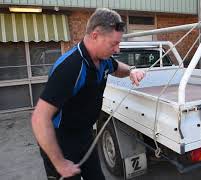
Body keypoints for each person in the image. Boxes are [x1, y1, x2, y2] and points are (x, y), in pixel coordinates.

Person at [31, 8, 145, 180]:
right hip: (61, 141)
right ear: (95, 35)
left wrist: (131, 71)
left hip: (84, 135)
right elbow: (39, 119)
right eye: (113, 43)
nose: (117, 49)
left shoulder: (104, 59)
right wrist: (60, 163)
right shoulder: (70, 67)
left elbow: (116, 68)